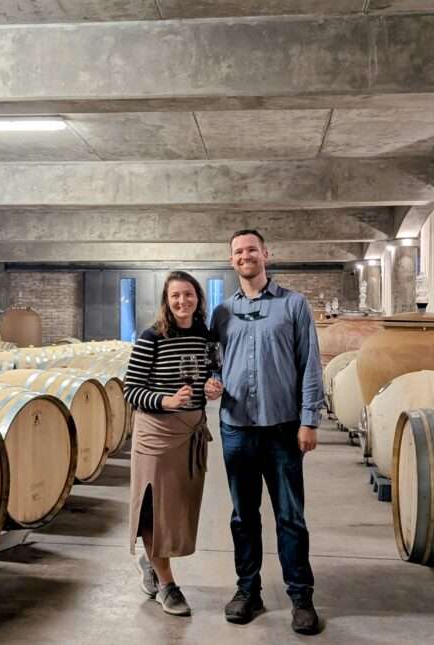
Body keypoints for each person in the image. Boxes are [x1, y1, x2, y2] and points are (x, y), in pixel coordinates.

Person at [209, 229, 324, 636]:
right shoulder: (222, 312)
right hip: (236, 428)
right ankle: (248, 590)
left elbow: (310, 364)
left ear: (265, 254)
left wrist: (309, 420)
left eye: (252, 250)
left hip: (282, 429)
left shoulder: (293, 305)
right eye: (238, 251)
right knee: (243, 517)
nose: (246, 256)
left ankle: (301, 597)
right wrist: (211, 381)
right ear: (232, 260)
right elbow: (214, 363)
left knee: (290, 517)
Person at [124, 270, 223, 616]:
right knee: (155, 508)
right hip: (156, 433)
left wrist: (213, 386)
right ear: (166, 301)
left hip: (191, 431)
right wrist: (164, 401)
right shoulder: (152, 336)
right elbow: (130, 389)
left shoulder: (206, 335)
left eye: (188, 294)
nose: (182, 301)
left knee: (179, 509)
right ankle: (167, 585)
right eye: (175, 296)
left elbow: (214, 372)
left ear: (198, 298)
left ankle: (151, 562)